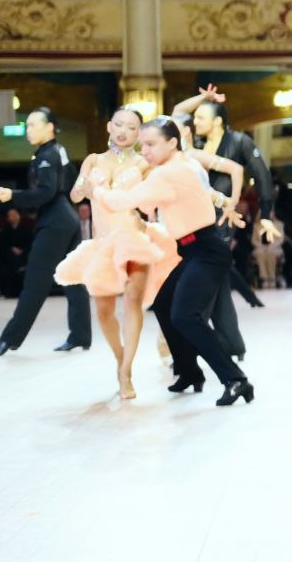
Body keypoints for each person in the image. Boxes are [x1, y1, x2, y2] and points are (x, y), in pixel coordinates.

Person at [99, 117, 256, 405]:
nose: (145, 151)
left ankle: (236, 380)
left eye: (151, 144)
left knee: (186, 316)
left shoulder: (169, 172)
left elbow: (120, 203)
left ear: (172, 143)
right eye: (142, 145)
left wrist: (98, 188)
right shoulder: (176, 167)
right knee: (163, 304)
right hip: (194, 250)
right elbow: (148, 206)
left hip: (206, 250)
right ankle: (189, 371)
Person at [54, 108, 173, 398]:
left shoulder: (143, 163)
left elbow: (151, 201)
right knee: (104, 311)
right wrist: (85, 186)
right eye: (119, 124)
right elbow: (76, 195)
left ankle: (126, 371)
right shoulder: (94, 160)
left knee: (133, 300)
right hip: (103, 243)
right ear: (109, 126)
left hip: (134, 238)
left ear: (139, 133)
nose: (123, 131)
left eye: (131, 127)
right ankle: (120, 358)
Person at [172, 87, 281, 359]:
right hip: (197, 219)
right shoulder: (195, 145)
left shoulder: (239, 141)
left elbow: (262, 176)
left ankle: (191, 346)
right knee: (217, 280)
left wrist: (264, 215)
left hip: (222, 219)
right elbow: (178, 112)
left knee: (204, 279)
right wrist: (204, 99)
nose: (195, 121)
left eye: (201, 117)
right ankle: (232, 343)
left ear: (217, 121)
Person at [0, 107, 93, 356]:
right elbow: (70, 182)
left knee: (35, 282)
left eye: (33, 125)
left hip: (55, 221)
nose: (28, 130)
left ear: (50, 127)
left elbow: (45, 192)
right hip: (68, 217)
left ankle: (9, 338)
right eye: (27, 126)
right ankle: (81, 335)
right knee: (73, 279)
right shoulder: (59, 150)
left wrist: (13, 195)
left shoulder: (47, 155)